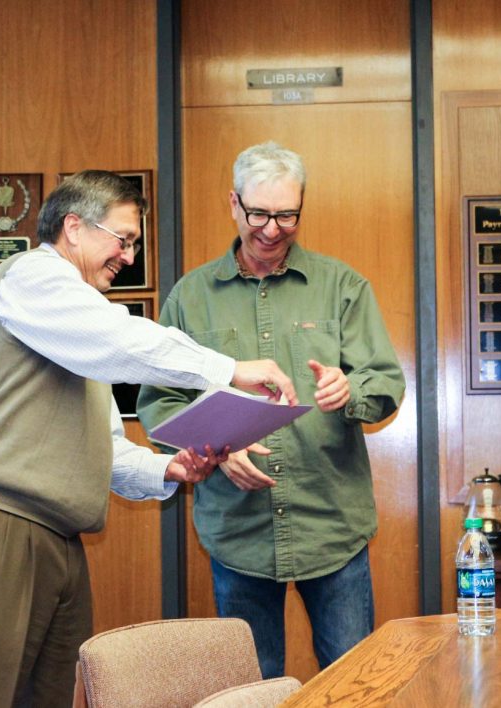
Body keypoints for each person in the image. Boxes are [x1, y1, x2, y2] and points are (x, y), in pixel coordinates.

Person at [0, 170, 298, 708]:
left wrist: (168, 469)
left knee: (48, 699)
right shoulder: (33, 276)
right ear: (74, 227)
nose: (128, 257)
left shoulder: (79, 333)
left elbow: (103, 445)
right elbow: (120, 338)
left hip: (59, 540)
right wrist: (227, 369)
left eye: (134, 245)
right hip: (1, 528)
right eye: (123, 240)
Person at [137, 142, 405, 679]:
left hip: (332, 525)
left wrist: (348, 390)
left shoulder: (342, 287)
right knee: (250, 688)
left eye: (287, 215)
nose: (272, 228)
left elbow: (387, 384)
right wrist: (217, 446)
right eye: (258, 213)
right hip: (238, 531)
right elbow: (160, 401)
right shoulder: (191, 297)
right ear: (233, 204)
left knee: (352, 683)